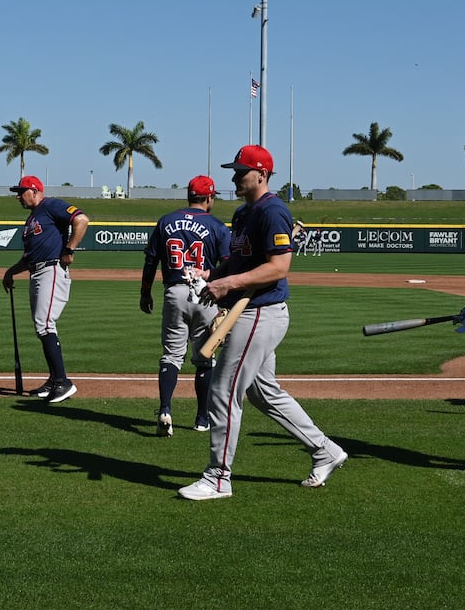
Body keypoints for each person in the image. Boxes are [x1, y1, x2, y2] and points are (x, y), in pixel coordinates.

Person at [178, 145, 346, 500]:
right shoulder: (242, 214)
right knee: (263, 393)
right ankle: (325, 450)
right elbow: (237, 264)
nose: (235, 177)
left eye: (241, 171)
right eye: (235, 171)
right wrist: (212, 274)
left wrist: (227, 284)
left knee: (223, 393)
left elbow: (279, 267)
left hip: (260, 312)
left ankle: (218, 478)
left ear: (262, 175)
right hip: (246, 309)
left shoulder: (273, 211)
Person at [140, 175, 231, 435]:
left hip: (174, 292)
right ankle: (202, 418)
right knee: (204, 359)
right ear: (210, 197)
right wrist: (225, 300)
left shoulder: (166, 221)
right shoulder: (216, 225)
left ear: (189, 195)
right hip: (206, 294)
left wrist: (145, 292)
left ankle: (165, 409)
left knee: (171, 356)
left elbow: (150, 260)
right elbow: (227, 264)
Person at [2, 176, 89, 404]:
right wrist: (11, 271)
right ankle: (53, 380)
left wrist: (70, 248)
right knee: (42, 326)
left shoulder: (50, 205)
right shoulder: (32, 219)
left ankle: (63, 382)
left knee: (45, 324)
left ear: (34, 190)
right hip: (37, 271)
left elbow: (82, 219)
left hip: (51, 270)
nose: (18, 196)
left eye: (21, 191)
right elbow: (29, 257)